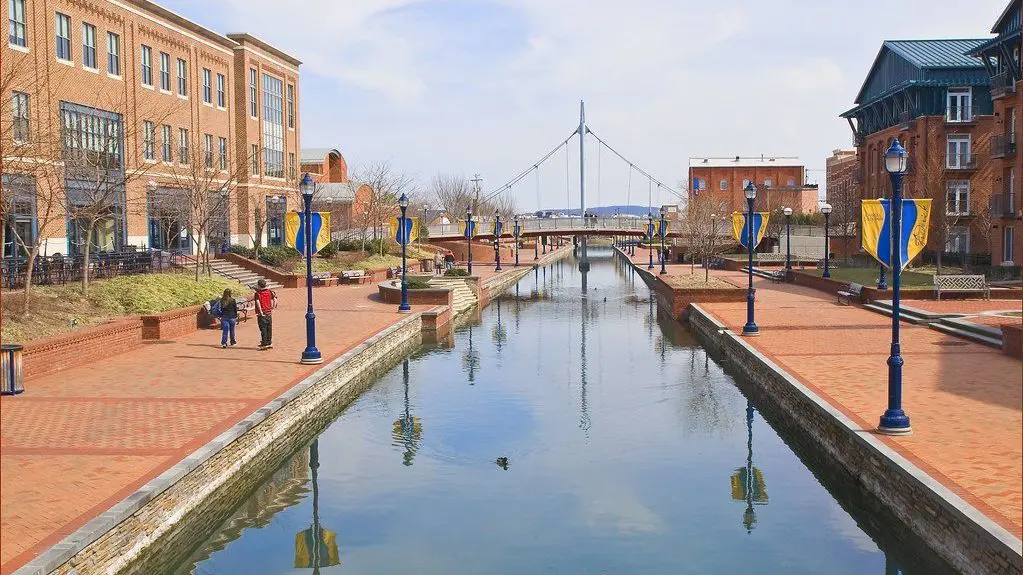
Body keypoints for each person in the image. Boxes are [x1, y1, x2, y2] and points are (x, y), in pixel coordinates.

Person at [253, 279, 278, 350]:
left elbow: (258, 303)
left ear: (259, 285)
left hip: (262, 313)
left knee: (263, 329)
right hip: (269, 313)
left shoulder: (258, 294)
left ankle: (264, 343)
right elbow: (275, 299)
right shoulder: (269, 291)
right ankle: (269, 342)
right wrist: (273, 308)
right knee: (269, 328)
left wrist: (260, 312)